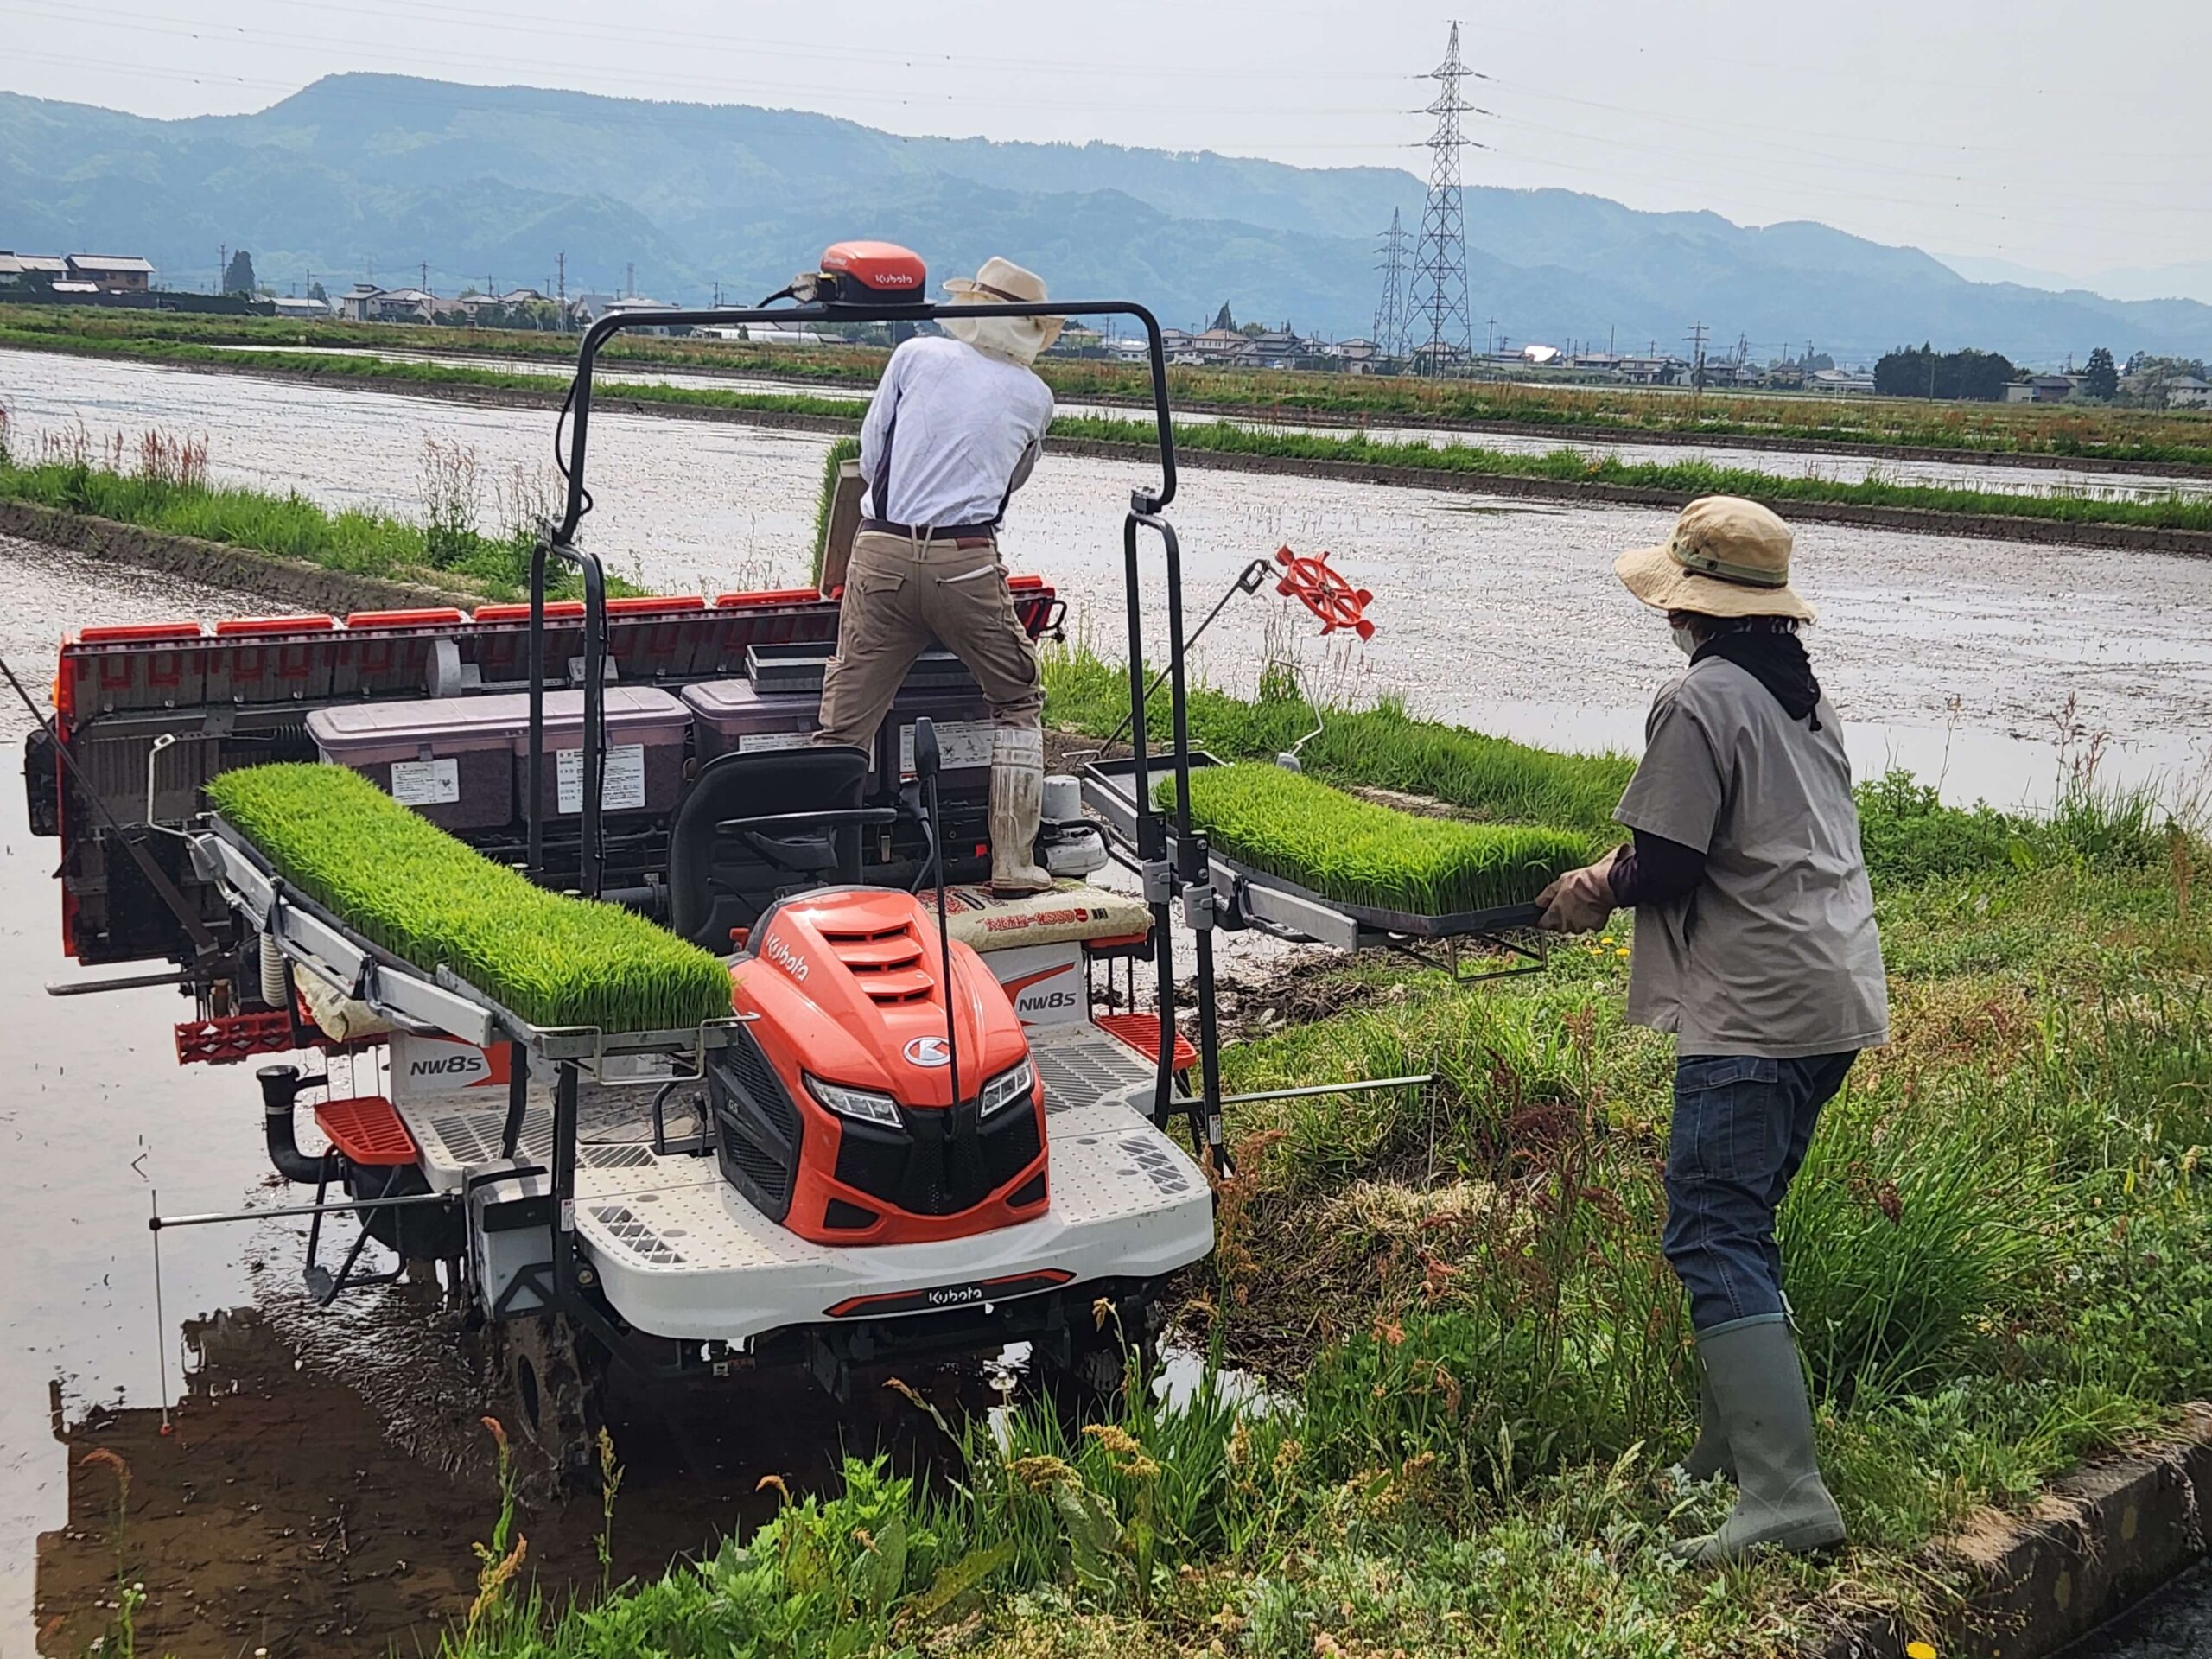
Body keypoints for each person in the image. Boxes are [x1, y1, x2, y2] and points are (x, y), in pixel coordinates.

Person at [1535, 494, 1888, 1564]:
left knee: (1710, 1228)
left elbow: (1674, 860)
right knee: (1742, 1224)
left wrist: (1592, 884)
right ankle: (1730, 1445)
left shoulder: (1699, 699)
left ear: (1690, 607)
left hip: (1754, 1008)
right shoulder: (1801, 697)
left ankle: (1785, 1497)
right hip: (1830, 989)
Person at [814, 256, 1063, 895]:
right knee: (1016, 699)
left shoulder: (917, 357)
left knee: (847, 721)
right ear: (1031, 332)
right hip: (964, 565)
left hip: (882, 557)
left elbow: (870, 458)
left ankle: (832, 873)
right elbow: (1010, 482)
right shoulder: (1036, 398)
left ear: (972, 309)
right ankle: (1012, 861)